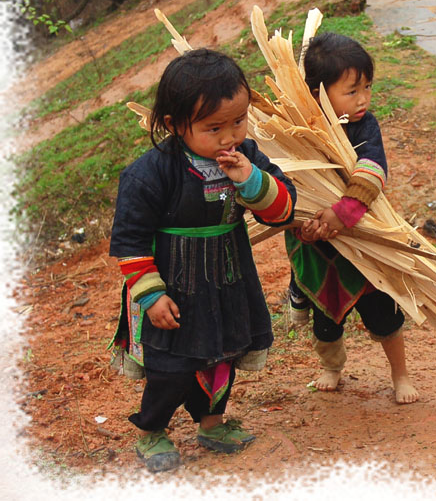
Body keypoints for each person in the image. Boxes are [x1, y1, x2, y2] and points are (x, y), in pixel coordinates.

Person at [108, 48, 296, 472]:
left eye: (238, 121)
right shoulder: (149, 174)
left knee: (222, 355)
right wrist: (151, 296)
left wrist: (251, 180)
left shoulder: (247, 157)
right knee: (172, 367)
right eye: (214, 128)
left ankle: (212, 423)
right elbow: (131, 242)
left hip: (228, 277)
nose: (230, 136)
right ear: (175, 125)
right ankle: (152, 431)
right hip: (175, 285)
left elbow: (282, 210)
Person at [284, 32, 418, 404]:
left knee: (385, 318)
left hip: (364, 243)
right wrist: (303, 224)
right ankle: (331, 366)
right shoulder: (298, 132)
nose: (363, 100)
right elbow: (288, 186)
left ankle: (400, 374)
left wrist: (343, 212)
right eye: (352, 90)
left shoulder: (365, 126)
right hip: (317, 247)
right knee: (326, 321)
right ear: (318, 94)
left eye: (367, 88)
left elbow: (373, 170)